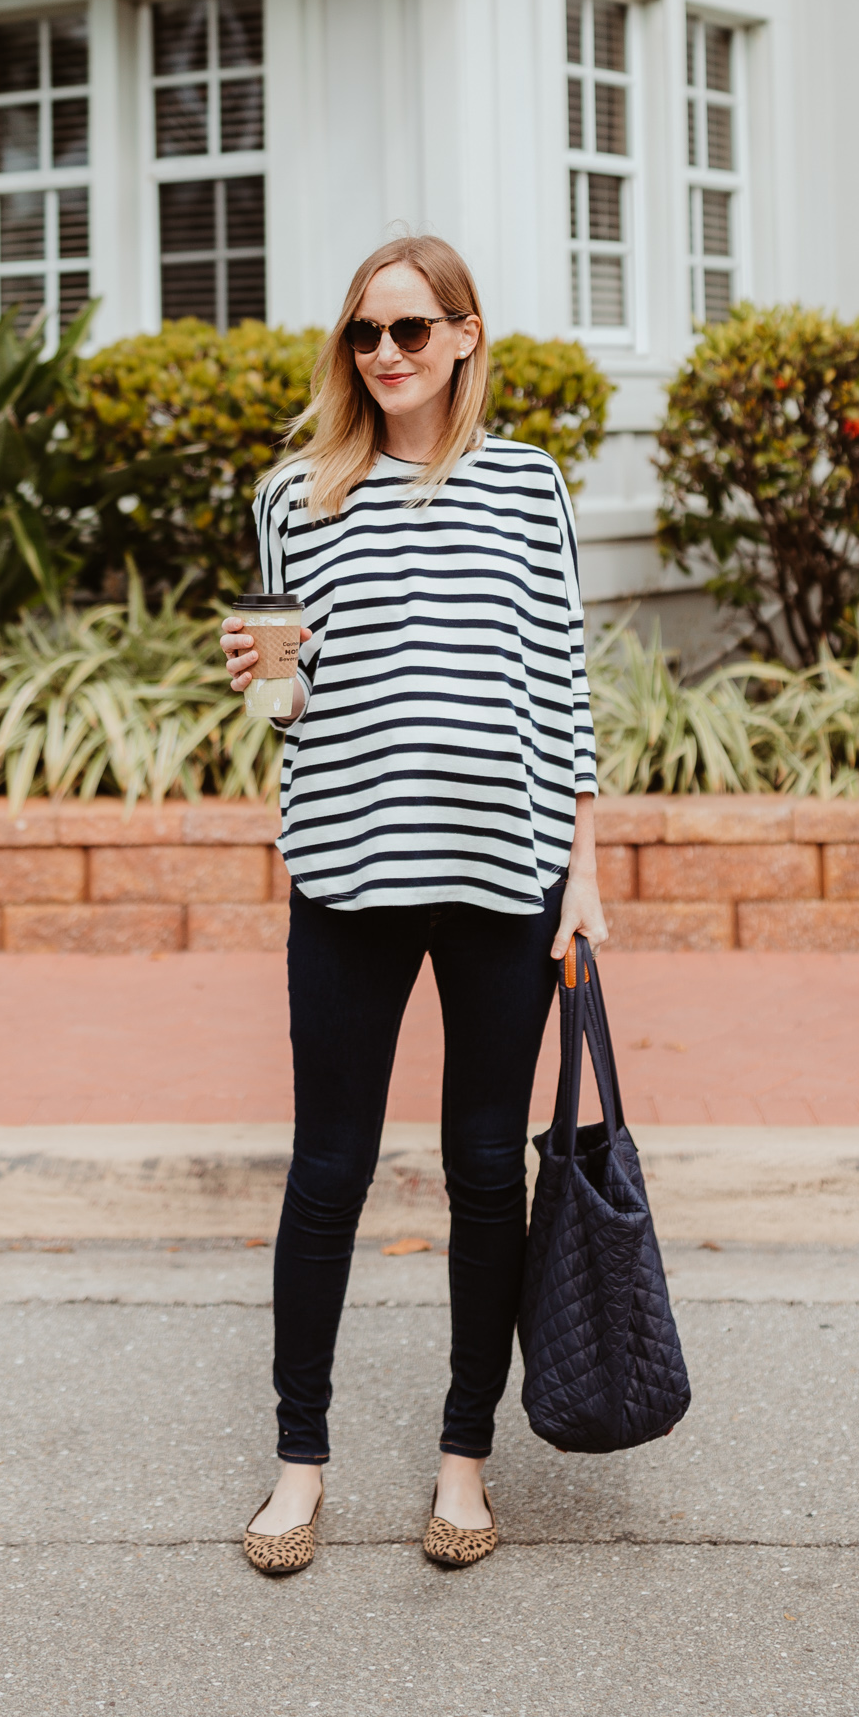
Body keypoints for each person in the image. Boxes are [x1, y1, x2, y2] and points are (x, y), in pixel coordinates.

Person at [220, 233, 607, 1578]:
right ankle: (299, 1468)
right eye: (366, 336)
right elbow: (287, 708)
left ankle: (463, 1462)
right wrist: (260, 677)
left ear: (466, 339)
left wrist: (586, 870)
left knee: (482, 1174)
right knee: (327, 1172)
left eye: (412, 331)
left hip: (505, 876)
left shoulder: (527, 485)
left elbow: (563, 678)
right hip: (348, 868)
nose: (386, 356)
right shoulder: (292, 495)